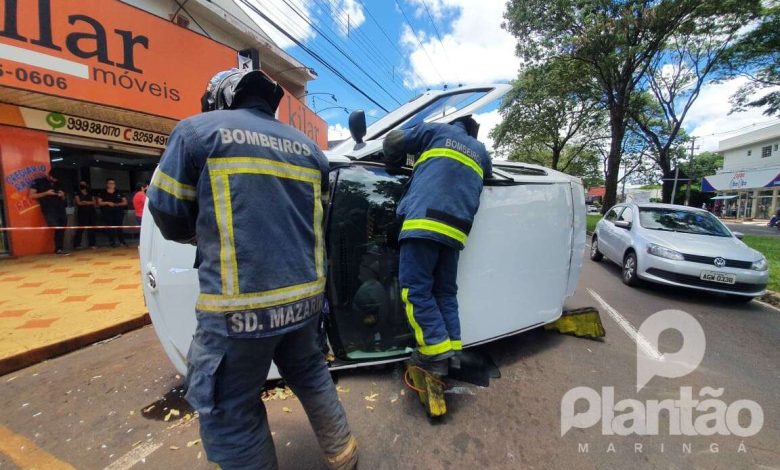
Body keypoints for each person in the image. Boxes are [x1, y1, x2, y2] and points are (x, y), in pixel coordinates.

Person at [146, 68, 356, 470]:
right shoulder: (310, 150)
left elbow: (169, 215)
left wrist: (205, 229)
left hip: (236, 313)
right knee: (312, 376)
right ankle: (345, 455)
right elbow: (317, 218)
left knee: (230, 407)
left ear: (220, 98)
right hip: (305, 303)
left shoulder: (196, 134)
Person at [382, 115, 491, 378]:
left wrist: (394, 161)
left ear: (454, 124)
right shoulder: (481, 152)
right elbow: (485, 177)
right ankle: (452, 351)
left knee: (415, 290)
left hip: (423, 222)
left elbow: (393, 139)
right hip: (456, 232)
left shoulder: (436, 132)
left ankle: (434, 352)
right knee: (444, 292)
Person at [29, 170, 69, 255]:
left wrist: (62, 195)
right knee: (56, 226)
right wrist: (46, 193)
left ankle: (59, 249)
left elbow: (64, 198)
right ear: (49, 175)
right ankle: (58, 249)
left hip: (60, 208)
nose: (55, 180)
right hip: (49, 209)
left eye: (56, 179)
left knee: (62, 227)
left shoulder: (59, 183)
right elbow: (31, 195)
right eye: (53, 178)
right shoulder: (38, 181)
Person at [98, 178, 128, 247]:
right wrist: (107, 203)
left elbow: (125, 202)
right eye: (110, 183)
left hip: (118, 212)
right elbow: (99, 202)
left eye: (113, 183)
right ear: (107, 184)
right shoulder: (103, 192)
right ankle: (112, 242)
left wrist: (117, 204)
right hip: (107, 212)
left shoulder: (119, 192)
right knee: (110, 227)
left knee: (119, 227)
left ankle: (122, 241)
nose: (112, 185)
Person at [73, 181, 97, 249]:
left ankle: (92, 244)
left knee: (92, 228)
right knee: (81, 228)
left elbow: (94, 202)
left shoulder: (90, 192)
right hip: (82, 212)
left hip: (91, 212)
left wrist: (86, 202)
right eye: (81, 184)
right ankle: (77, 244)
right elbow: (79, 203)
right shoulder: (77, 193)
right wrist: (88, 203)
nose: (83, 185)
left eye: (84, 184)